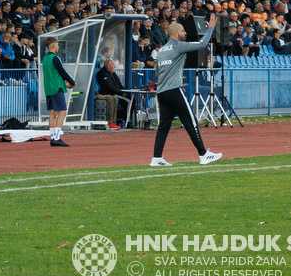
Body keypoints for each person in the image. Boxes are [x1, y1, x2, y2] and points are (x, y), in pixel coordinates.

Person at [150, 15, 223, 167]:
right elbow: (202, 44)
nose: (185, 33)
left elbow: (158, 71)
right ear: (175, 34)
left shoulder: (162, 50)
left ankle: (157, 158)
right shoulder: (177, 45)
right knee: (191, 121)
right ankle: (203, 154)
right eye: (183, 31)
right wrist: (211, 28)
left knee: (164, 126)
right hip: (174, 89)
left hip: (162, 92)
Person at [41, 39, 75, 148]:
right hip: (56, 87)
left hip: (48, 87)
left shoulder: (45, 58)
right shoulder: (55, 58)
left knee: (52, 112)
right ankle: (57, 137)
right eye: (58, 44)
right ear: (53, 46)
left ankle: (53, 137)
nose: (58, 46)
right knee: (62, 111)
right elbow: (62, 71)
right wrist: (72, 81)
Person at [94, 58, 133, 129]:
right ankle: (127, 122)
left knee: (131, 99)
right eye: (113, 65)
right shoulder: (102, 73)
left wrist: (125, 91)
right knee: (128, 101)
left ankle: (128, 120)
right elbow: (109, 87)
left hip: (116, 93)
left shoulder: (113, 73)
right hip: (109, 93)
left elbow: (119, 84)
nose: (115, 67)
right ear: (108, 66)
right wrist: (121, 93)